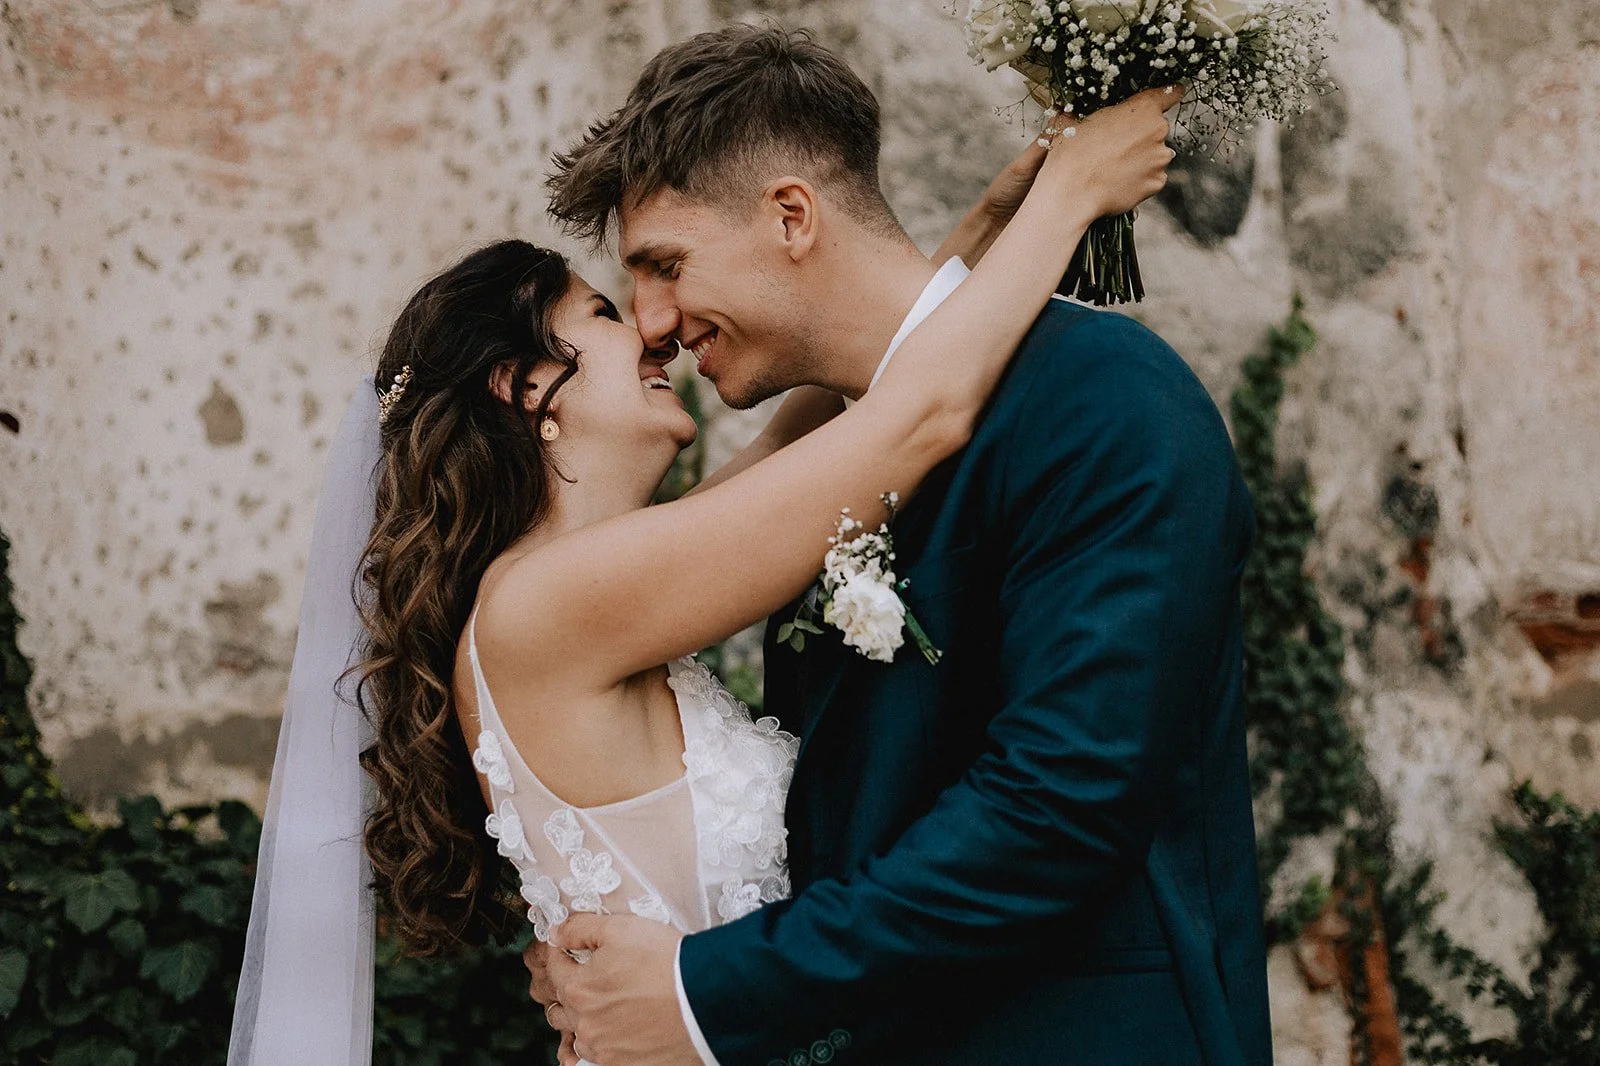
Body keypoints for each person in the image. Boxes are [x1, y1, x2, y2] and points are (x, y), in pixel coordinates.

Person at [223, 29, 1177, 1066]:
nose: (652, 328)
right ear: (523, 387)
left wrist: (979, 233)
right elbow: (911, 423)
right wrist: (1068, 198)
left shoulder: (607, 577)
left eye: (652, 278)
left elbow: (822, 416)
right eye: (602, 307)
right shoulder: (553, 605)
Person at [530, 24, 1273, 1066]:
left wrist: (710, 990)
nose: (649, 321)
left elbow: (1057, 810)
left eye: (664, 264)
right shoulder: (828, 467)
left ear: (793, 216)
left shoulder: (1105, 404)